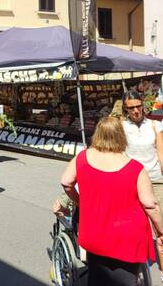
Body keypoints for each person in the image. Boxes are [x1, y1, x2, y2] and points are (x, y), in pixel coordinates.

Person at [61, 117, 163, 285]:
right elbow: (151, 204)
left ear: (98, 134)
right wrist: (160, 231)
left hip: (94, 232)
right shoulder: (135, 168)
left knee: (97, 277)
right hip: (127, 236)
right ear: (121, 136)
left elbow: (66, 182)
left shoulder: (82, 157)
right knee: (126, 280)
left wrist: (79, 201)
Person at [121, 90, 163, 276]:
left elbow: (161, 151)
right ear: (126, 109)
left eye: (138, 106)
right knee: (135, 227)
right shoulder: (121, 127)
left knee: (161, 227)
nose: (136, 111)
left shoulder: (155, 125)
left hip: (155, 180)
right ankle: (136, 265)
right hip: (132, 182)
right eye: (131, 108)